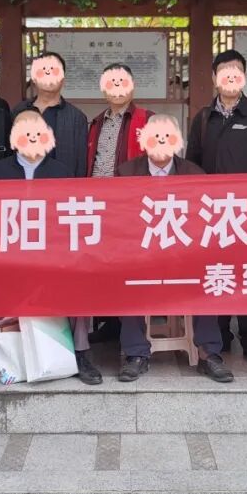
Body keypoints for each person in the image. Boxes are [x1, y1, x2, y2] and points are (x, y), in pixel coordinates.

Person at [0, 110, 102, 388]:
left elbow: (70, 222)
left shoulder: (62, 172)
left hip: (51, 256)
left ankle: (81, 353)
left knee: (81, 276)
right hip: (8, 256)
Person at [114, 114, 234, 382]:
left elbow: (204, 221)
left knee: (209, 274)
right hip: (141, 254)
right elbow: (120, 220)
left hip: (184, 254)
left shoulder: (194, 174)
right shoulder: (126, 172)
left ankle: (209, 353)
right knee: (125, 276)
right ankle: (135, 353)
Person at [186, 49, 247, 364]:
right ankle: (220, 333)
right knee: (218, 273)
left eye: (236, 71)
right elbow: (191, 167)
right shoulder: (203, 119)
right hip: (213, 215)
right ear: (214, 78)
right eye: (224, 71)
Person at [86, 63, 153, 342]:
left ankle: (131, 335)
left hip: (131, 206)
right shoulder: (96, 123)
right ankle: (111, 322)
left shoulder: (147, 119)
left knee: (129, 267)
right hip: (99, 206)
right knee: (104, 267)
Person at [12, 51, 89, 177]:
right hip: (25, 182)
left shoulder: (76, 117)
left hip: (62, 184)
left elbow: (81, 163)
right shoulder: (19, 111)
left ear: (63, 79)